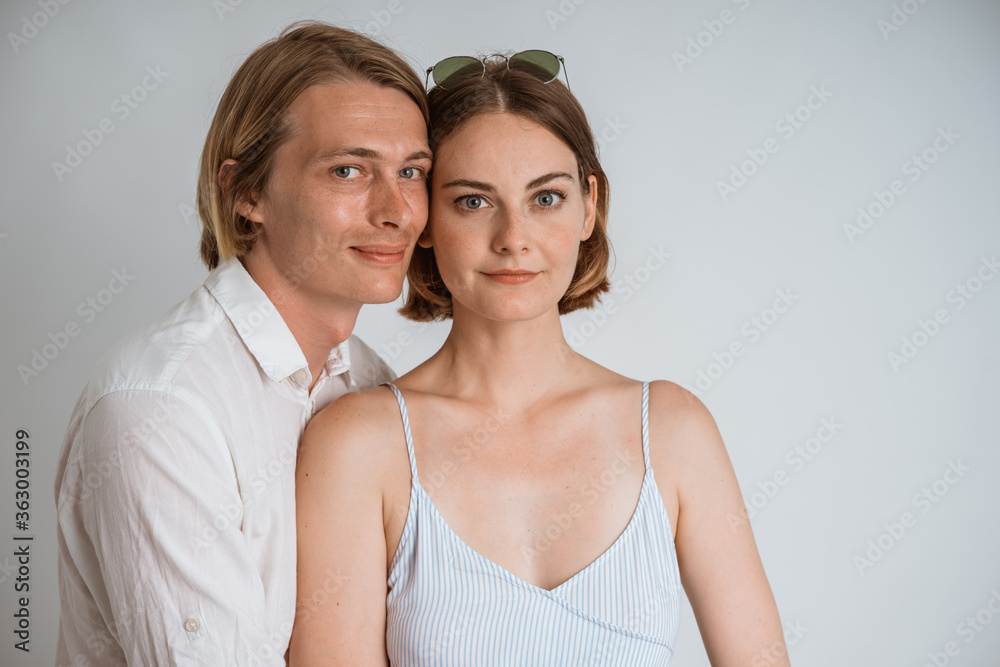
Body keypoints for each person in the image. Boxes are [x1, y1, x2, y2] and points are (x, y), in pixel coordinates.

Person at [291, 52, 789, 666]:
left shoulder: (673, 430)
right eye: (473, 201)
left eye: (545, 198)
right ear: (423, 218)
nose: (513, 238)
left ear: (590, 206)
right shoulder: (358, 443)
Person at [53, 21, 432, 665]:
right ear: (247, 192)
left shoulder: (368, 381)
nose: (396, 209)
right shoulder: (161, 408)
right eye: (348, 170)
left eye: (412, 171)